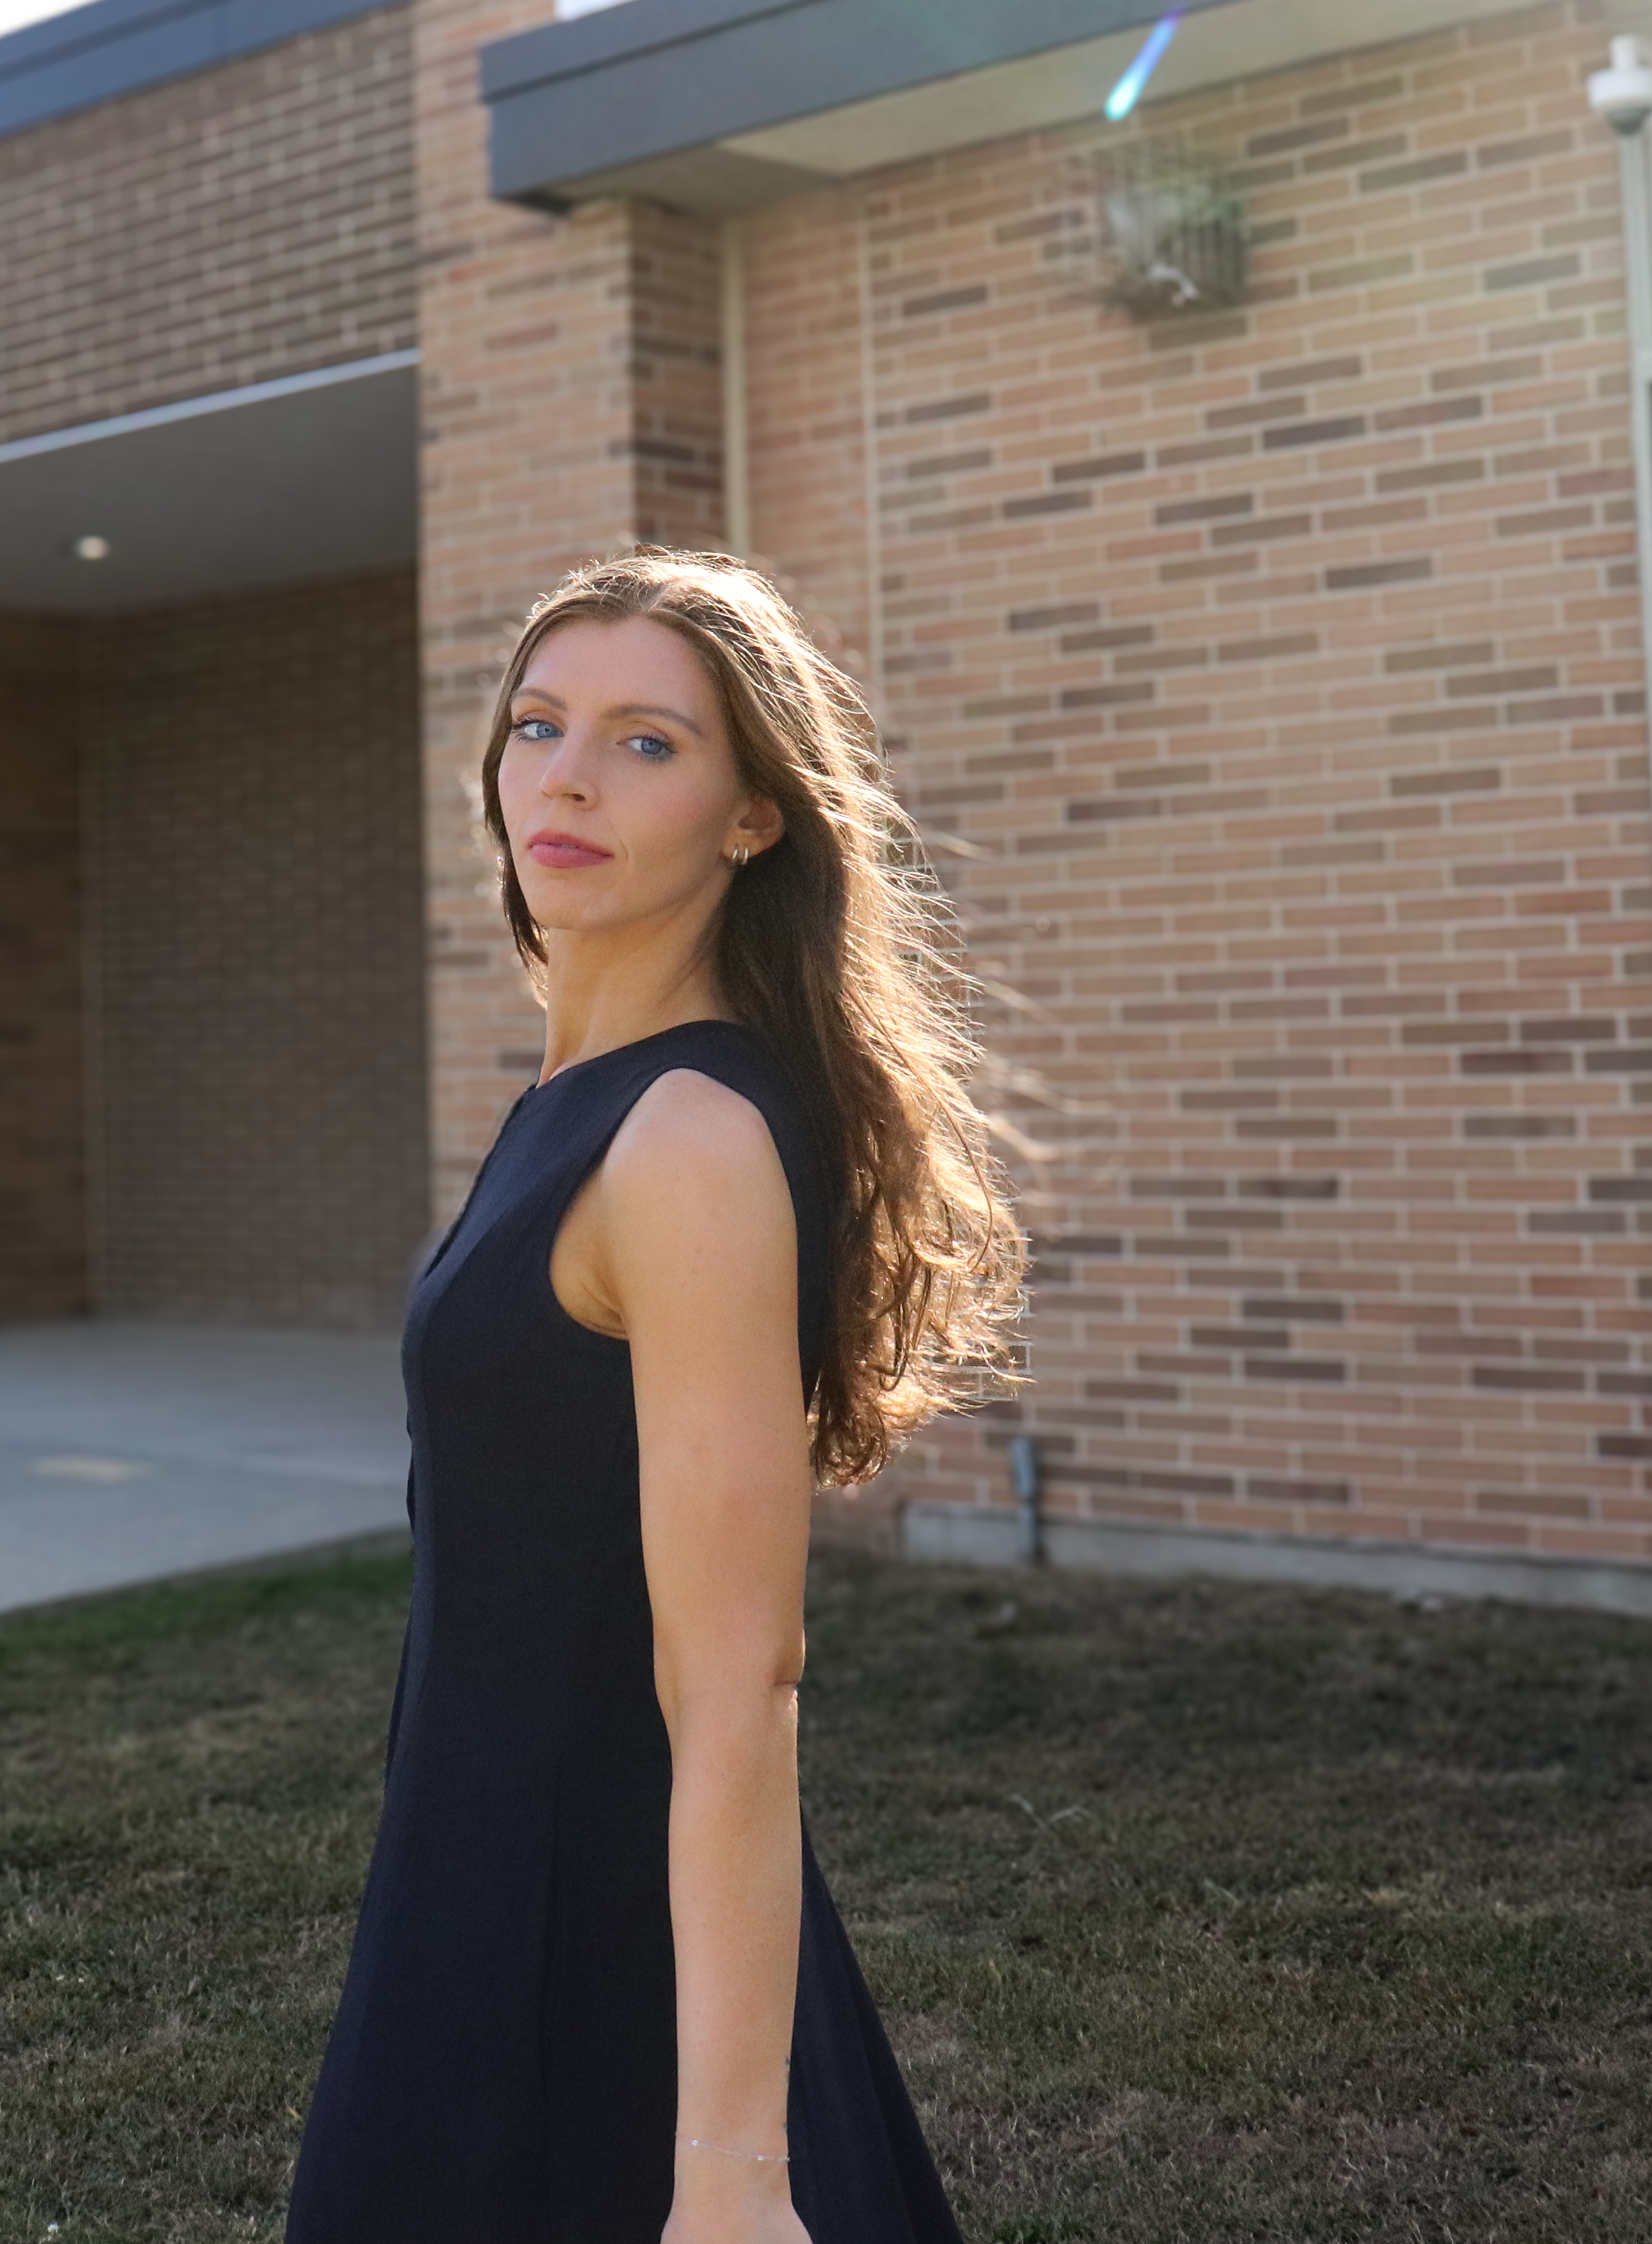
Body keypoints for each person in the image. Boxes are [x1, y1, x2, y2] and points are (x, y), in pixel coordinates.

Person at [288, 550, 1024, 2244]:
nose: (566, 773)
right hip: (470, 1872)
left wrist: (730, 2178)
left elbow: (739, 1679)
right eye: (540, 724)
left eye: (646, 742)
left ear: (752, 815)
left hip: (598, 1923)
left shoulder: (684, 1140)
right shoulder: (583, 1091)